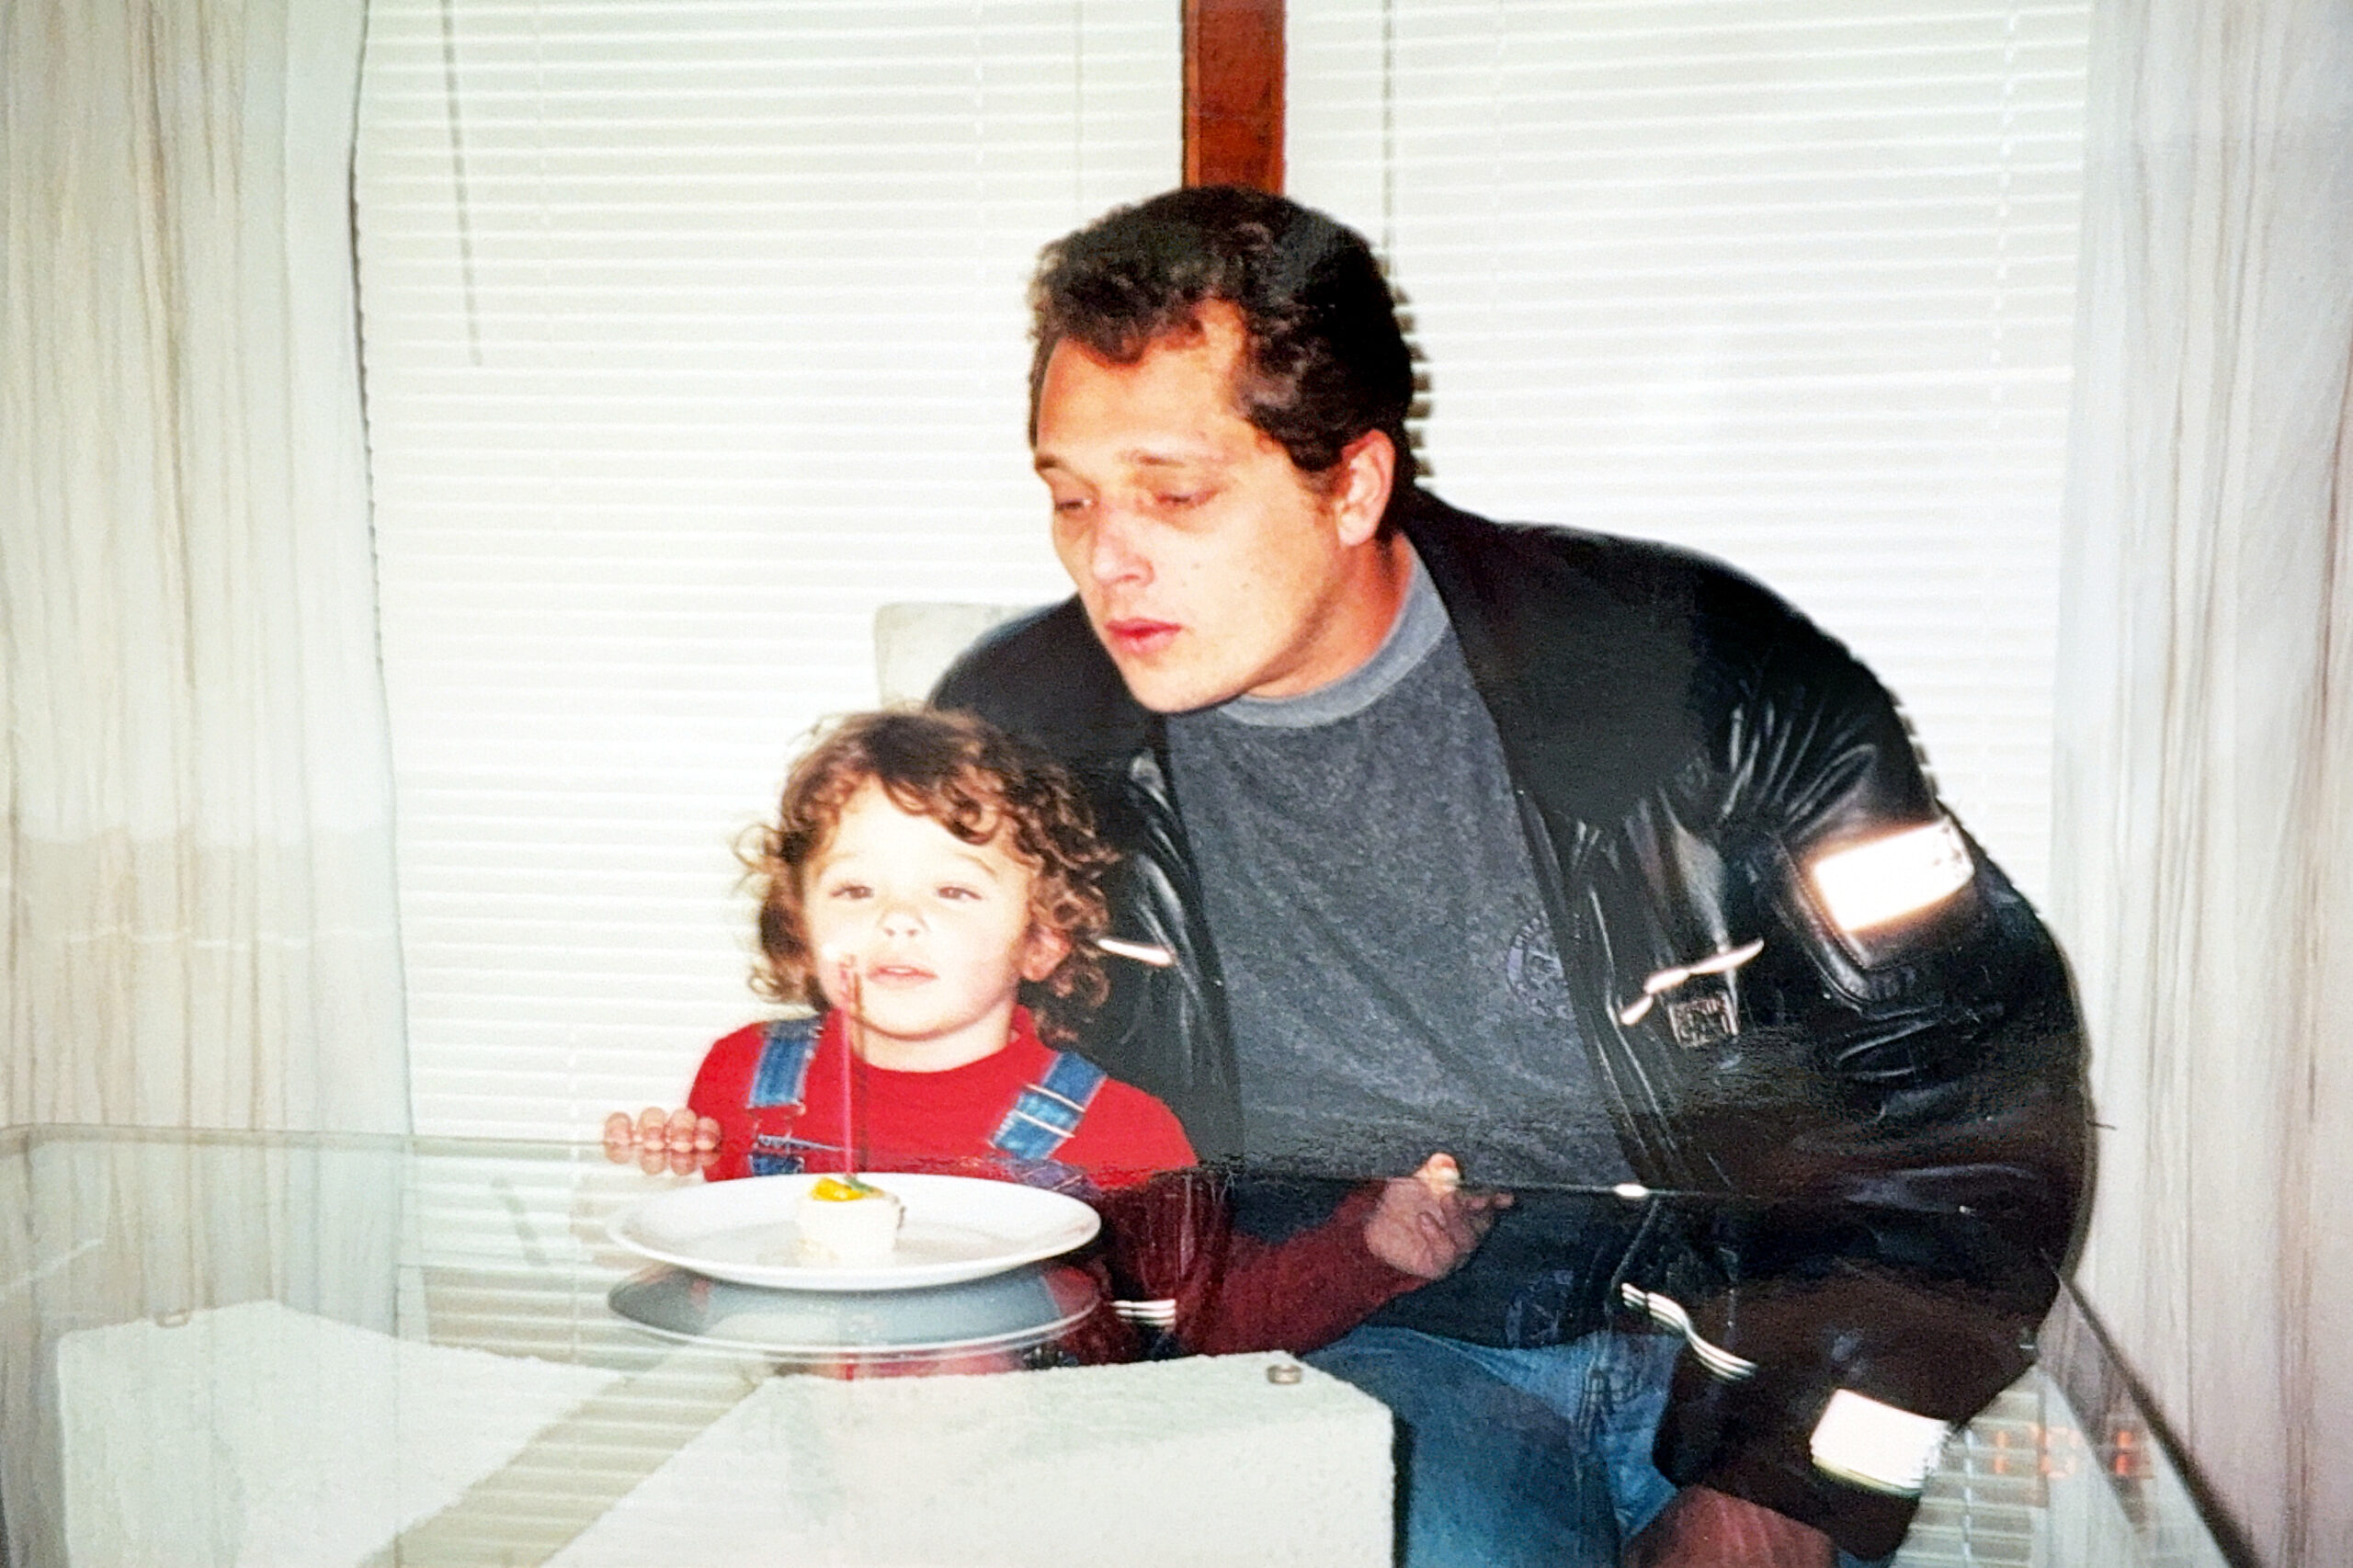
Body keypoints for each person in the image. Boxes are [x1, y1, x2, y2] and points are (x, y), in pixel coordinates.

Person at [932, 186, 2092, 1566]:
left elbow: (1971, 1101)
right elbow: (945, 1116)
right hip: (1366, 1331)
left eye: (1175, 494)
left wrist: (1790, 1488)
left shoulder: (1706, 679)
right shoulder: (1019, 736)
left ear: (1353, 484)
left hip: (1749, 1341)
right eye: (1069, 498)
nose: (1108, 558)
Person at [604, 707, 1506, 1357]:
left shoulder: (1121, 1130)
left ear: (1043, 936)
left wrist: (1372, 1248)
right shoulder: (741, 1076)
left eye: (952, 890)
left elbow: (1213, 1321)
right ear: (799, 922)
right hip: (808, 1443)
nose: (897, 919)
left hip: (1032, 1458)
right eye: (855, 889)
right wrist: (659, 1172)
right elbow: (721, 1284)